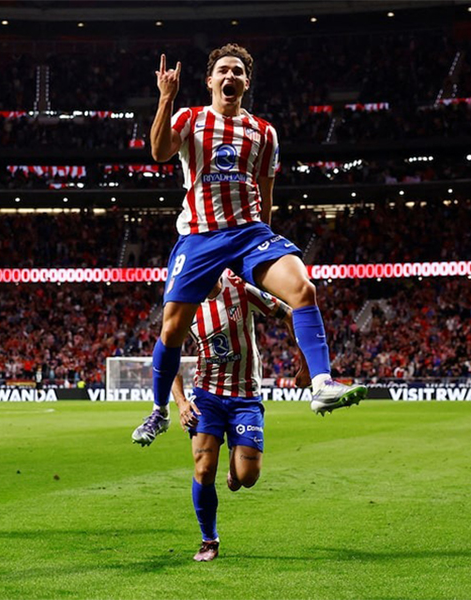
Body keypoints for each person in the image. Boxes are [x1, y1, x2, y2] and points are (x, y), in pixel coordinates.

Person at [132, 43, 365, 445]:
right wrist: (166, 98)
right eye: (223, 70)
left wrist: (263, 252)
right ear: (209, 81)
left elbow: (267, 190)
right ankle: (158, 411)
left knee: (302, 289)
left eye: (238, 72)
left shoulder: (263, 132)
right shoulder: (189, 118)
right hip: (201, 236)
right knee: (171, 331)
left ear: (246, 82)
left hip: (250, 233)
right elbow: (158, 152)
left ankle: (322, 384)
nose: (230, 77)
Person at [169, 271, 310, 561]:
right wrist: (182, 402)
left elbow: (289, 314)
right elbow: (167, 354)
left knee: (247, 478)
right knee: (204, 468)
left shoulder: (240, 288)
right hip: (206, 397)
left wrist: (306, 363)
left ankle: (235, 467)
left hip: (245, 397)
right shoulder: (185, 301)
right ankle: (209, 540)